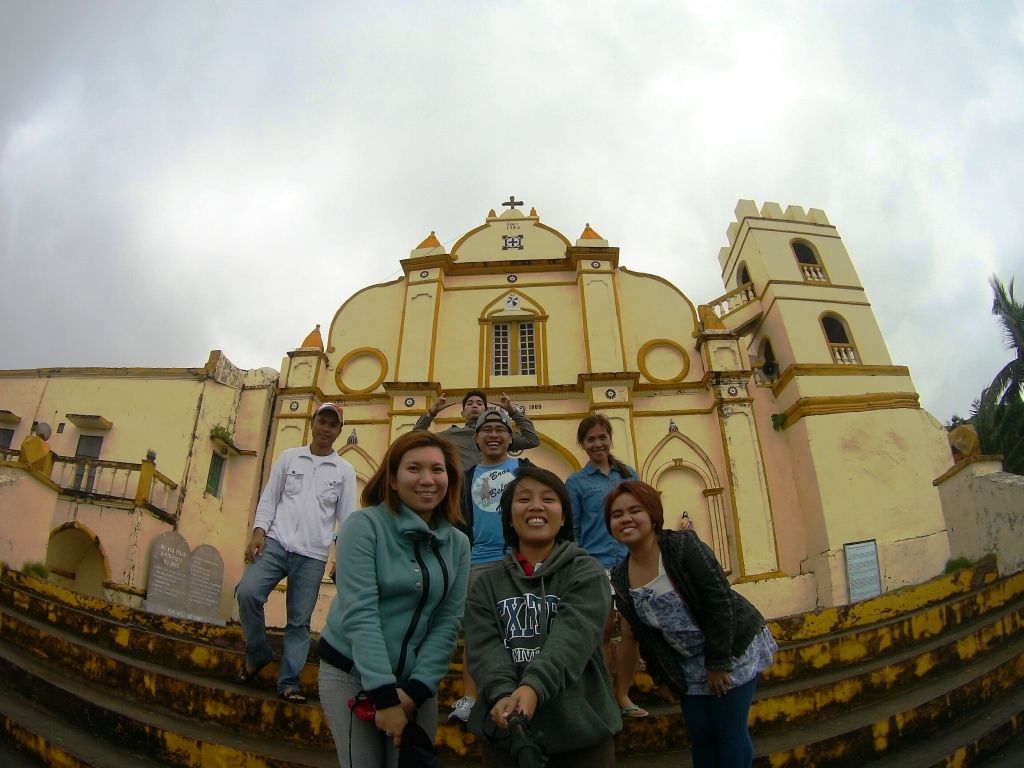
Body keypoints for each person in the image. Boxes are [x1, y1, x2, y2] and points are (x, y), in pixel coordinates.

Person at [317, 430, 470, 768]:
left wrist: (414, 693)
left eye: (437, 469)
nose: (427, 480)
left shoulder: (458, 543)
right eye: (414, 469)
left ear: (450, 478)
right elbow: (361, 613)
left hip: (415, 683)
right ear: (394, 479)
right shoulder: (363, 526)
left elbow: (447, 622)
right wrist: (385, 698)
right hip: (351, 674)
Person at [606, 480, 777, 768]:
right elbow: (645, 636)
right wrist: (662, 678)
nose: (626, 519)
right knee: (700, 734)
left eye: (635, 510)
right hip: (688, 662)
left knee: (727, 730)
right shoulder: (621, 577)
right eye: (616, 514)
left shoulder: (682, 546)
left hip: (731, 645)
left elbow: (720, 602)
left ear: (652, 514)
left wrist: (719, 663)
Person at [465, 465, 621, 767]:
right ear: (509, 517)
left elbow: (573, 636)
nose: (536, 506)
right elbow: (483, 646)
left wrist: (533, 687)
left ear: (563, 517)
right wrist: (502, 694)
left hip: (581, 736)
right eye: (523, 499)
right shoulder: (487, 584)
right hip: (506, 734)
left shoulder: (585, 572)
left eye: (549, 499)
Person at [235, 402, 357, 703]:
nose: (326, 429)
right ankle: (258, 652)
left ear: (339, 431)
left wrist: (341, 557)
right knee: (248, 593)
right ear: (312, 422)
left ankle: (289, 682)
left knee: (299, 621)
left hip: (313, 554)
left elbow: (348, 518)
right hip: (275, 542)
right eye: (322, 422)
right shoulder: (289, 457)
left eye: (332, 425)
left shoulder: (344, 471)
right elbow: (270, 498)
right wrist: (259, 531)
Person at [448, 408, 535, 724]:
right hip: (478, 562)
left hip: (518, 559)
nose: (494, 434)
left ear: (511, 438)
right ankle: (470, 698)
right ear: (477, 438)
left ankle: (521, 696)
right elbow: (456, 519)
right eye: (487, 430)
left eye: (500, 429)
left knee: (523, 630)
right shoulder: (467, 476)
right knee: (476, 632)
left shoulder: (524, 470)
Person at [565, 413, 647, 718]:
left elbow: (643, 516)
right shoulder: (576, 482)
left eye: (602, 437)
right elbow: (572, 529)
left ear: (610, 439)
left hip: (630, 561)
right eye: (590, 439)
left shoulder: (628, 475)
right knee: (601, 630)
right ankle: (601, 695)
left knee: (632, 631)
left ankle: (622, 694)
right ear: (583, 445)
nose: (597, 443)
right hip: (594, 563)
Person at [414, 389, 539, 469]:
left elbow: (531, 440)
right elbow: (416, 438)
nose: (474, 405)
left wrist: (513, 412)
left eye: (479, 403)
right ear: (462, 413)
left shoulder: (497, 435)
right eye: (469, 403)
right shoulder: (450, 436)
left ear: (486, 411)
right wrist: (431, 413)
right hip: (462, 498)